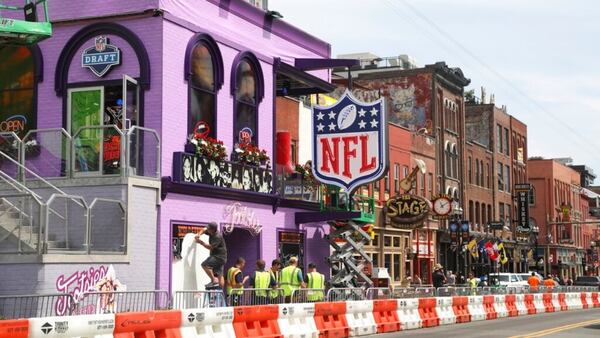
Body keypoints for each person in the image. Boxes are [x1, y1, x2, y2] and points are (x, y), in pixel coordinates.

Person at [195, 222, 227, 289]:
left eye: (209, 229)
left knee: (205, 265)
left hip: (219, 257)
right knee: (220, 275)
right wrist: (198, 235)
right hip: (221, 257)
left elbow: (210, 247)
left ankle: (213, 280)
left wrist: (200, 242)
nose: (208, 230)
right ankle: (221, 292)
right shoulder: (210, 231)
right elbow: (203, 230)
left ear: (213, 229)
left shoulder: (217, 236)